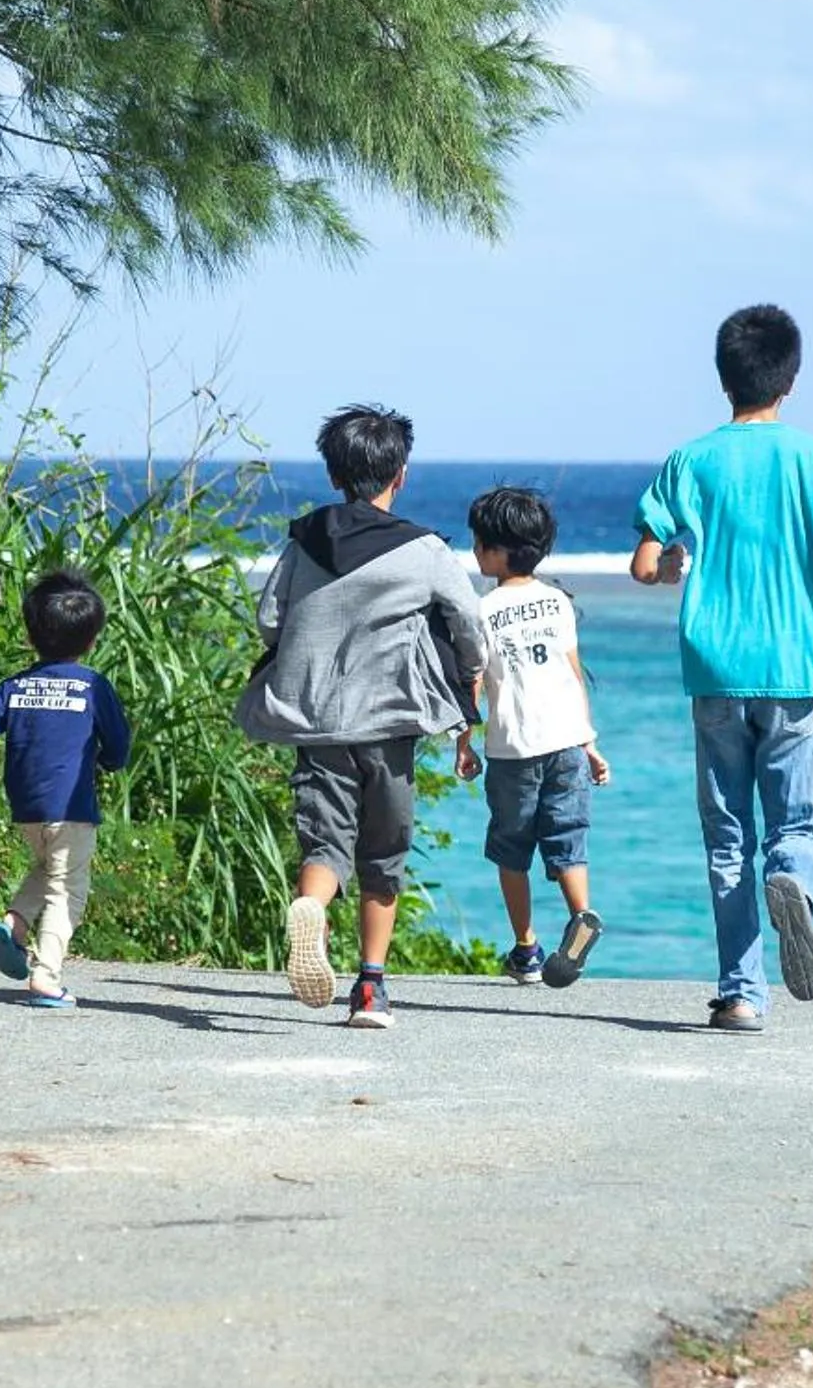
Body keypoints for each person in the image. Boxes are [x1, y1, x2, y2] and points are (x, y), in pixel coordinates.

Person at [630, 305, 813, 1033]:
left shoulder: (690, 460)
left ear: (722, 378)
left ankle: (742, 993)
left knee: (727, 833)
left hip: (714, 665)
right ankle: (792, 882)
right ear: (790, 379)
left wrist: (675, 563)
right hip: (797, 663)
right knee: (793, 823)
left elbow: (646, 564)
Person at [237, 405, 485, 1030]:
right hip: (390, 722)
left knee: (325, 843)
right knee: (384, 854)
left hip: (316, 722)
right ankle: (370, 990)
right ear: (399, 474)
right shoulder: (423, 550)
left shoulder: (303, 540)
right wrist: (470, 677)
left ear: (332, 472)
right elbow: (470, 624)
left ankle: (311, 905)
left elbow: (270, 619)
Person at [453, 487, 610, 988]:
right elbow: (572, 673)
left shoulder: (485, 610)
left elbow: (472, 683)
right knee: (567, 839)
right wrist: (589, 743)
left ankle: (526, 948)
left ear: (498, 551)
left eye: (480, 543)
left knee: (510, 849)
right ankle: (581, 913)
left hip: (514, 749)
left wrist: (463, 743)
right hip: (567, 741)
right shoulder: (558, 602)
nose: (476, 551)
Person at [0, 569, 132, 1009]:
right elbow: (119, 744)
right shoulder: (93, 686)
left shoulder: (14, 686)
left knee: (49, 867)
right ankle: (46, 976)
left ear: (31, 634)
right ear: (91, 639)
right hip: (71, 806)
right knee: (67, 889)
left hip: (26, 807)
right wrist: (110, 762)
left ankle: (14, 924)